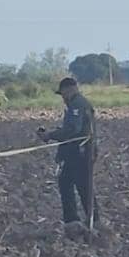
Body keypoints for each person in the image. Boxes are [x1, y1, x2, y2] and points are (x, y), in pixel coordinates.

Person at [37, 77, 97, 230]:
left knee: (81, 186)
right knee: (69, 184)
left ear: (68, 90)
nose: (62, 98)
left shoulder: (77, 104)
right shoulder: (78, 104)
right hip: (76, 152)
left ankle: (87, 222)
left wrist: (50, 135)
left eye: (62, 94)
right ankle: (78, 222)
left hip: (79, 153)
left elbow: (72, 130)